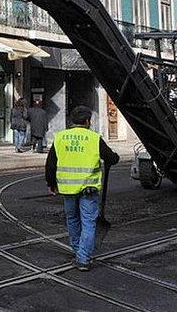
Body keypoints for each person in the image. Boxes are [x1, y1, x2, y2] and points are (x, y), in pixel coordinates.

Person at [45, 105, 120, 271]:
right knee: (88, 222)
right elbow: (111, 158)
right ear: (87, 121)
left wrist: (51, 184)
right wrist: (114, 157)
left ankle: (78, 250)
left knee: (72, 220)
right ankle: (83, 258)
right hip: (88, 189)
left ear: (72, 120)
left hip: (68, 190)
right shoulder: (94, 138)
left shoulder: (60, 137)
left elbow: (50, 164)